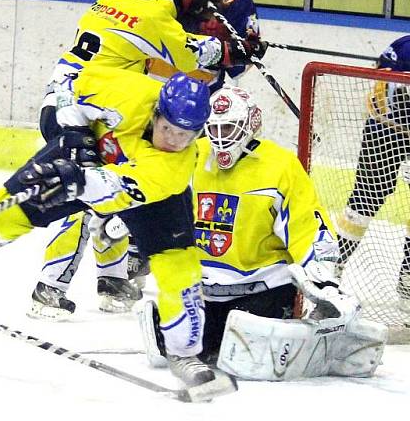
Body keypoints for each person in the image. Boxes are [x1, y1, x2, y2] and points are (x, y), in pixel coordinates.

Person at [0, 65, 236, 393]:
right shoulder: (125, 91)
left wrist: (80, 180)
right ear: (156, 113)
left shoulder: (173, 168)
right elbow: (68, 85)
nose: (174, 141)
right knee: (33, 184)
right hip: (92, 149)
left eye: (185, 135)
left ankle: (184, 353)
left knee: (180, 270)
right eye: (168, 129)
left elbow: (112, 193)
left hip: (143, 195)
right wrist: (75, 130)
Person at [22, 0, 260, 319]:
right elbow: (193, 54)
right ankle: (50, 287)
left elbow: (152, 19)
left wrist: (179, 1)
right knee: (88, 191)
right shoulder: (144, 15)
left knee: (115, 184)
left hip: (70, 103)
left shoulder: (103, 5)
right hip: (82, 110)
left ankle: (112, 279)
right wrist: (236, 48)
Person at [137, 86, 387, 380]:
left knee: (249, 356)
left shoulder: (279, 166)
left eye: (228, 127)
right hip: (202, 290)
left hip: (262, 291)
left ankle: (329, 345)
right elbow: (156, 197)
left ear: (250, 125)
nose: (220, 138)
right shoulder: (191, 156)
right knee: (169, 340)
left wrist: (325, 280)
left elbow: (307, 224)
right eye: (213, 128)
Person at [336, 35, 410, 300]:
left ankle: (408, 278)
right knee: (366, 197)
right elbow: (386, 88)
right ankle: (334, 263)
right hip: (386, 130)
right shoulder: (404, 47)